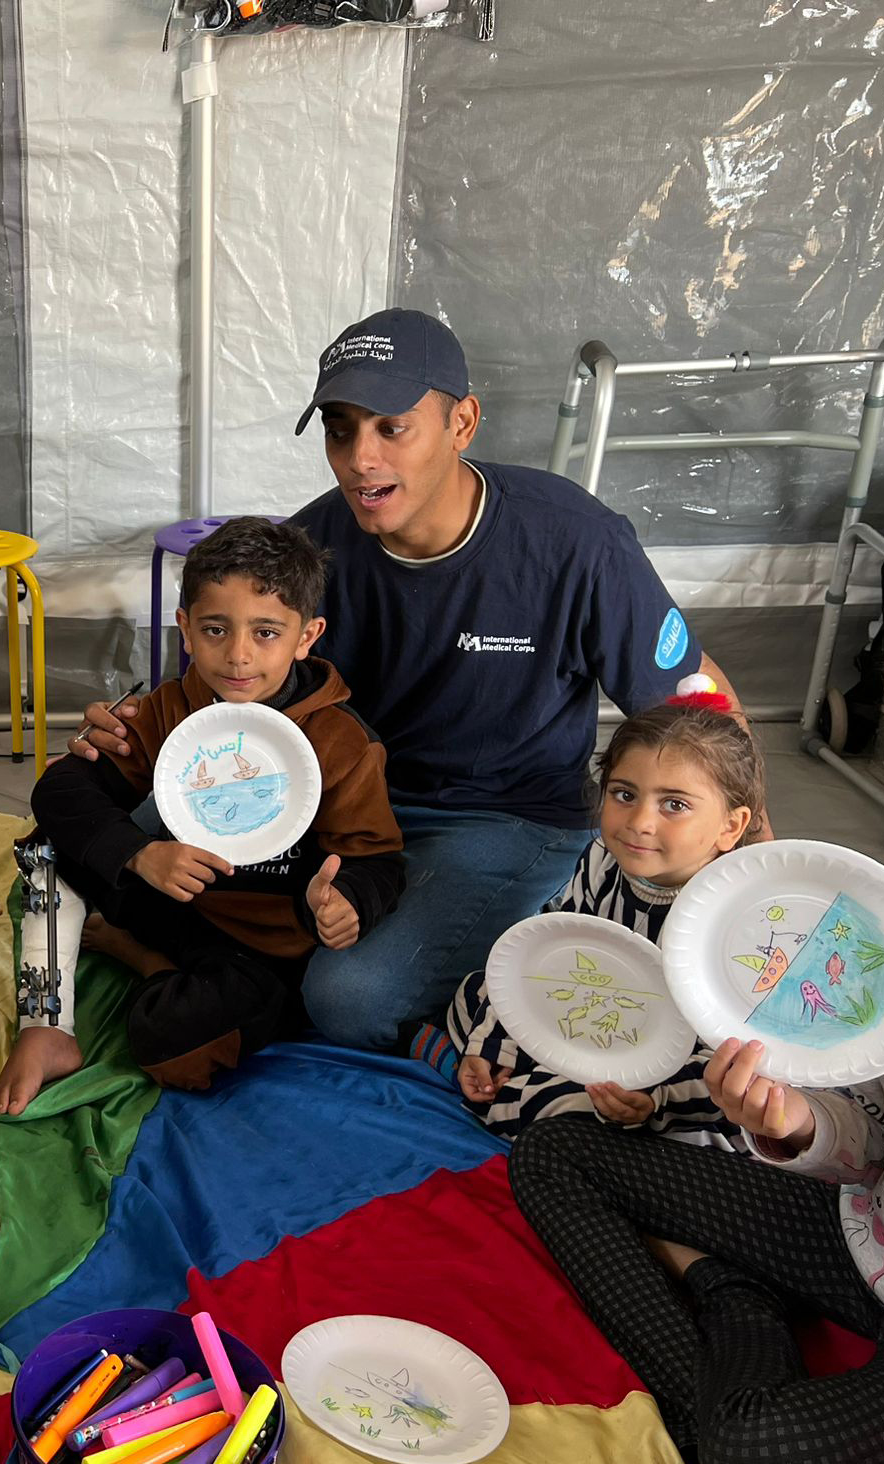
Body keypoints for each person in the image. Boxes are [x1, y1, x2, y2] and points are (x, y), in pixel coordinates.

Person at [71, 309, 756, 1051]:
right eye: (340, 429)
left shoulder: (573, 540)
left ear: (462, 422)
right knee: (91, 846)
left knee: (347, 999)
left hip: (503, 819)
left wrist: (756, 880)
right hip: (338, 798)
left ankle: (525, 915)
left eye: (390, 427)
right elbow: (227, 688)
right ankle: (175, 955)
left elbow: (695, 698)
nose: (360, 457)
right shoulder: (315, 547)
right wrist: (134, 729)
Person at [509, 586, 884, 1464]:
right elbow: (872, 1129)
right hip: (867, 1235)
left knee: (765, 1463)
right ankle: (734, 1293)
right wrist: (794, 1126)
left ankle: (730, 1364)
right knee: (553, 1151)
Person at [0, 519, 405, 1112]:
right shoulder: (169, 708)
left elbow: (378, 858)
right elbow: (62, 791)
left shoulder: (341, 742)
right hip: (167, 898)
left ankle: (138, 957)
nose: (238, 656)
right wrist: (140, 852)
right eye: (216, 628)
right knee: (44, 848)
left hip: (260, 948)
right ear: (185, 628)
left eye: (266, 633)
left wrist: (348, 903)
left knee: (171, 1049)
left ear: (307, 636)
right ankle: (45, 1027)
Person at [411, 679, 760, 1150]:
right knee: (480, 988)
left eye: (674, 805)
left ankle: (485, 1086)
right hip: (591, 1022)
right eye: (624, 794)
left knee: (573, 1107)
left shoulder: (740, 921)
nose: (640, 822)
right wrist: (496, 1045)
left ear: (730, 826)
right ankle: (488, 1069)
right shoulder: (601, 860)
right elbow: (544, 960)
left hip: (675, 1084)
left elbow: (739, 1057)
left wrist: (656, 1096)